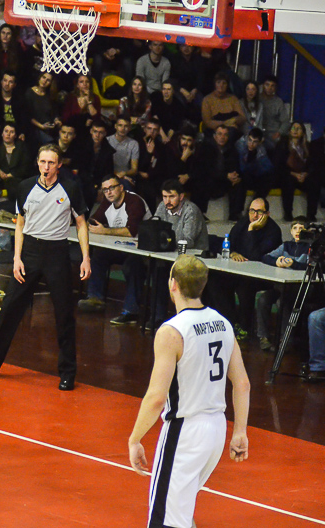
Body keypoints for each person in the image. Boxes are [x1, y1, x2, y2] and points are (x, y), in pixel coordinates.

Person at [128, 254, 250, 528]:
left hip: (185, 432)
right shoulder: (223, 323)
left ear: (173, 284)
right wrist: (240, 431)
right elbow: (242, 383)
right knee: (181, 512)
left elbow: (156, 397)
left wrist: (135, 438)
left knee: (165, 520)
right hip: (216, 429)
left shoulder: (172, 331)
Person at [0, 144, 91, 391]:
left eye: (51, 163)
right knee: (9, 309)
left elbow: (81, 223)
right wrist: (16, 258)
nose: (46, 167)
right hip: (30, 252)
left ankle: (68, 373)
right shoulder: (25, 187)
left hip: (57, 252)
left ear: (59, 165)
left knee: (64, 314)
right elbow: (20, 224)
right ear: (37, 162)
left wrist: (86, 257)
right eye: (43, 162)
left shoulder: (70, 188)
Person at [78, 174, 150, 326]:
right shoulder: (108, 202)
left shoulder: (134, 201)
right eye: (105, 190)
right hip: (120, 246)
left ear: (121, 187)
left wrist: (105, 231)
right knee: (98, 254)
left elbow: (132, 231)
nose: (108, 192)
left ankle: (131, 311)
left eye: (112, 188)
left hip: (141, 250)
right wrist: (93, 225)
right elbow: (94, 220)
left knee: (132, 265)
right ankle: (95, 298)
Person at [207, 197, 282, 339]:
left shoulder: (273, 231)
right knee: (214, 279)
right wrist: (233, 253)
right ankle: (229, 321)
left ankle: (245, 327)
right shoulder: (243, 222)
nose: (255, 215)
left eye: (259, 212)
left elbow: (256, 256)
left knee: (244, 285)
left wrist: (251, 230)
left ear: (267, 214)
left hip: (263, 276)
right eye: (252, 211)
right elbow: (229, 242)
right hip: (240, 271)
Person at [151, 179, 209, 326]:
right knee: (156, 270)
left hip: (194, 258)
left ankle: (184, 321)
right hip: (170, 255)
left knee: (166, 273)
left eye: (172, 196)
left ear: (181, 196)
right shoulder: (162, 207)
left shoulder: (191, 210)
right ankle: (158, 317)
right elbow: (155, 228)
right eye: (165, 197)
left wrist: (165, 239)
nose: (167, 201)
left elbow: (188, 240)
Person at [257, 217, 309, 352]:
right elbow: (266, 257)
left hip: (297, 288)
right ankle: (263, 336)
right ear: (291, 231)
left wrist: (294, 264)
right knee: (263, 299)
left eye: (301, 228)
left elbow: (310, 266)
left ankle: (285, 340)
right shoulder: (286, 246)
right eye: (295, 228)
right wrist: (276, 262)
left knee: (283, 302)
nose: (298, 231)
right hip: (281, 286)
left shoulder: (309, 248)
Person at [275, 121, 318, 221]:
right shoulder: (282, 144)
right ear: (289, 131)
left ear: (303, 132)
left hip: (302, 175)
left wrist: (305, 174)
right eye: (293, 128)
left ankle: (311, 214)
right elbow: (278, 165)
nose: (295, 130)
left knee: (314, 183)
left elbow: (312, 164)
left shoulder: (307, 146)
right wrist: (294, 174)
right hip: (288, 174)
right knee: (288, 182)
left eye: (299, 128)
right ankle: (288, 213)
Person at [74, 118, 115, 208]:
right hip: (82, 179)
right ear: (91, 131)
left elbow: (108, 171)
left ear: (105, 134)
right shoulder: (82, 145)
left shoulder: (108, 150)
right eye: (95, 131)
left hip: (98, 181)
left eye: (100, 133)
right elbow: (79, 167)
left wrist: (102, 187)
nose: (97, 135)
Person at [0, 123, 29, 200]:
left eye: (12, 132)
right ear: (2, 133)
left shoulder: (21, 147)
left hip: (18, 179)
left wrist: (11, 175)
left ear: (15, 135)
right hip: (0, 181)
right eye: (6, 131)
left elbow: (25, 166)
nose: (8, 134)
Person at [201, 72, 246, 141]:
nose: (221, 85)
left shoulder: (233, 98)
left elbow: (243, 117)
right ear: (215, 84)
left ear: (227, 85)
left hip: (232, 131)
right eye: (218, 82)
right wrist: (225, 124)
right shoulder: (207, 99)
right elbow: (207, 122)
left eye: (224, 83)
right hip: (214, 131)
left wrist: (234, 120)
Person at [235, 127, 275, 203]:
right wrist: (255, 165)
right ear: (247, 138)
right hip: (241, 174)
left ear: (260, 142)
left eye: (255, 142)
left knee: (269, 179)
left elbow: (269, 167)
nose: (251, 144)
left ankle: (255, 205)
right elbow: (242, 168)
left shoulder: (261, 149)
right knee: (242, 179)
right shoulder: (240, 145)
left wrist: (256, 166)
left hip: (253, 174)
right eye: (250, 140)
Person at [25, 71, 59, 145]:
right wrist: (41, 126)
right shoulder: (30, 93)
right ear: (40, 77)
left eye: (48, 80)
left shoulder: (50, 95)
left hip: (49, 127)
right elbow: (28, 115)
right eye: (44, 77)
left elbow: (54, 112)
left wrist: (56, 120)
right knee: (50, 142)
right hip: (35, 128)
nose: (45, 81)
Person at [108, 115, 140, 191]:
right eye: (120, 125)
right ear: (115, 126)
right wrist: (119, 176)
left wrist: (123, 174)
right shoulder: (107, 141)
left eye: (126, 126)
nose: (122, 129)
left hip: (126, 174)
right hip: (109, 174)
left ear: (129, 128)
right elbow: (105, 166)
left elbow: (134, 169)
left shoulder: (133, 143)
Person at [259, 75, 291, 150]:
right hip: (259, 132)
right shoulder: (257, 99)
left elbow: (286, 121)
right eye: (267, 85)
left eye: (272, 86)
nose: (269, 88)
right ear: (263, 86)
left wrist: (279, 132)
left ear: (275, 88)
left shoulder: (278, 102)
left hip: (274, 133)